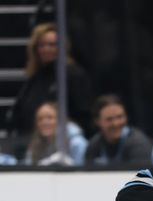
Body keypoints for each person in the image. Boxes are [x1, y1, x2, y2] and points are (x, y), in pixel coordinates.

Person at [6, 22, 93, 158]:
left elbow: (84, 115)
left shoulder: (72, 75)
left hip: (63, 148)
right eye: (42, 45)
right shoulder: (34, 76)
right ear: (35, 49)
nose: (47, 49)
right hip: (32, 146)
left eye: (52, 45)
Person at [84, 94, 153, 167]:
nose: (115, 123)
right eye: (109, 119)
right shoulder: (94, 145)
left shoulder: (139, 143)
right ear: (97, 121)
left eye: (120, 117)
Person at [23, 101, 88, 166]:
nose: (44, 122)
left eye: (50, 117)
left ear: (61, 120)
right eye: (40, 119)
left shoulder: (77, 143)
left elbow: (83, 172)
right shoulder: (36, 144)